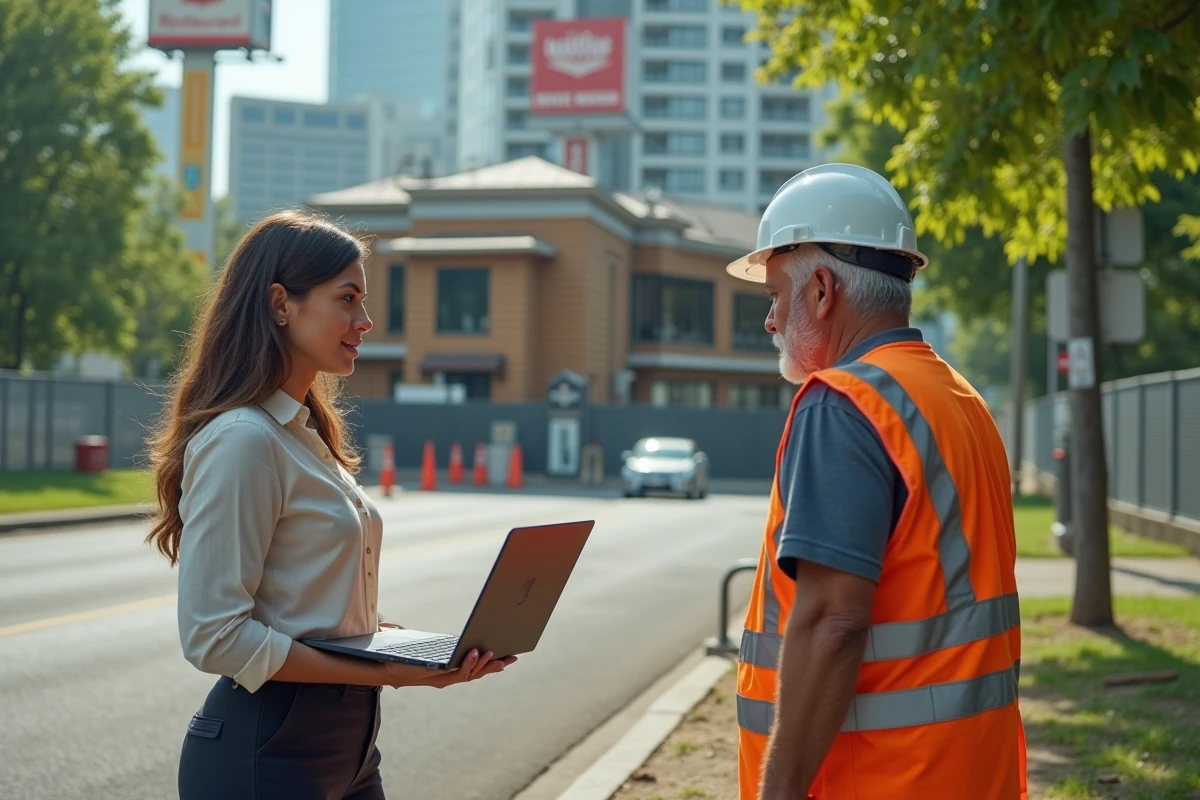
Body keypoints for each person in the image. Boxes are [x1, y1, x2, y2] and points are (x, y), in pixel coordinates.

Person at [145, 211, 516, 800]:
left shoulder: (302, 434)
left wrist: (400, 646)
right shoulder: (244, 440)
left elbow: (308, 607)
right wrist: (380, 671)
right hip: (266, 754)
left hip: (348, 748)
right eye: (347, 299)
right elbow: (214, 637)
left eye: (363, 301)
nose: (365, 321)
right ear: (280, 303)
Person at [725, 164, 1027, 800]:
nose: (771, 321)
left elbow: (833, 622)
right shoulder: (957, 399)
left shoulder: (843, 404)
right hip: (970, 773)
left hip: (879, 779)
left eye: (776, 296)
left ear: (822, 292)